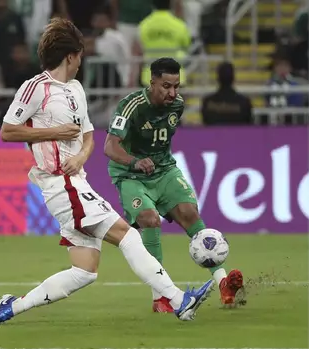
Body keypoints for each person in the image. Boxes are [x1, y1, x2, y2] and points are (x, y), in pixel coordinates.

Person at [0, 18, 213, 326]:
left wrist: (79, 156)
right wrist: (53, 132)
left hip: (76, 179)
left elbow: (89, 136)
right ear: (69, 56)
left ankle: (10, 307)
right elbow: (7, 131)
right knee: (129, 236)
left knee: (84, 271)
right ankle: (178, 300)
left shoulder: (76, 89)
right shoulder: (36, 88)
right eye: (79, 56)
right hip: (60, 185)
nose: (81, 62)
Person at [104, 58, 245, 312]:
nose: (172, 93)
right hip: (131, 174)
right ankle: (160, 297)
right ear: (152, 82)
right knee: (149, 219)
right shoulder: (131, 105)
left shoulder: (177, 106)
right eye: (166, 86)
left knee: (190, 214)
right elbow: (109, 147)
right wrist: (134, 161)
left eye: (176, 86)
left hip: (164, 170)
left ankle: (223, 283)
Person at [137, 0, 190, 87]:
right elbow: (186, 46)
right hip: (175, 76)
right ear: (170, 4)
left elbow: (140, 48)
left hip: (150, 76)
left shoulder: (144, 25)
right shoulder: (180, 25)